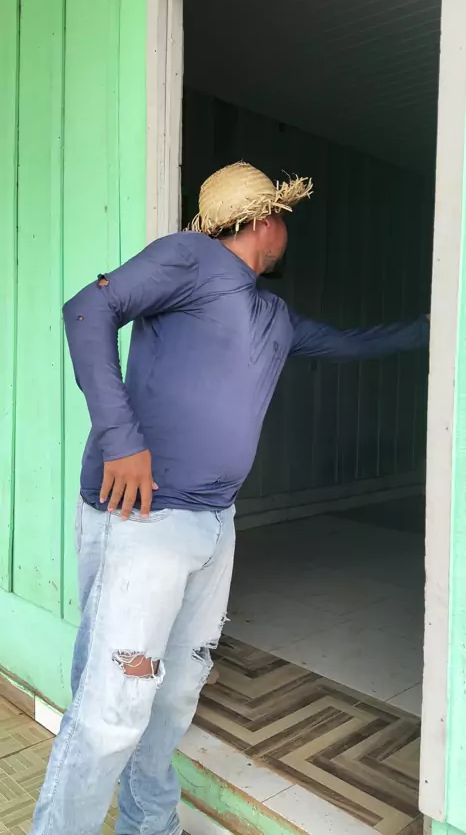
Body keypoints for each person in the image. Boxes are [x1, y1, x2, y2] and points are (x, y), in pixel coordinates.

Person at [30, 162, 429, 835]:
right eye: (285, 221)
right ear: (266, 220)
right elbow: (86, 309)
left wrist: (433, 326)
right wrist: (121, 437)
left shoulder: (273, 315)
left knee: (174, 695)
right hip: (145, 518)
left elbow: (350, 345)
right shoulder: (190, 258)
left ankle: (151, 825)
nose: (287, 233)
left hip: (215, 524)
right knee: (112, 709)